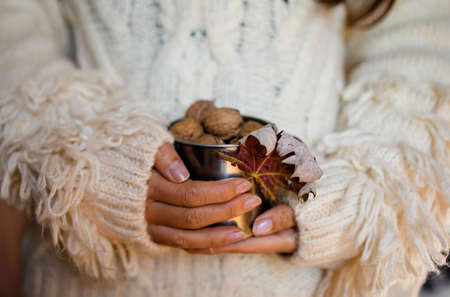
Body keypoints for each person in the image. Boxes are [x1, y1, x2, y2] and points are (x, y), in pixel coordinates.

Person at [0, 0, 448, 296]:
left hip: (303, 283)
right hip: (83, 278)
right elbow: (14, 34)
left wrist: (356, 198)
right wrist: (83, 160)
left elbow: (421, 56)